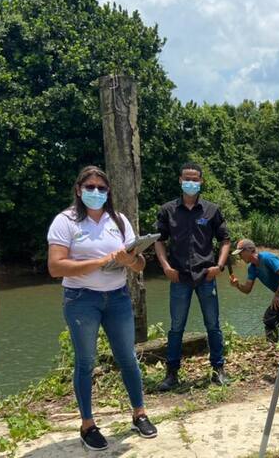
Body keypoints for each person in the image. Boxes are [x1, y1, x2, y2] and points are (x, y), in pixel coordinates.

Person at [47, 166, 156, 451]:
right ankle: (87, 425)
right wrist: (99, 261)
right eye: (90, 187)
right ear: (78, 189)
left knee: (128, 357)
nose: (96, 192)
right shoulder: (65, 221)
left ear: (108, 192)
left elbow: (140, 264)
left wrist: (128, 261)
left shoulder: (118, 221)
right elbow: (55, 266)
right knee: (86, 361)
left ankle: (139, 413)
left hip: (117, 297)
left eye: (101, 188)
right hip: (81, 299)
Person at [153, 162, 231, 391]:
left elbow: (225, 240)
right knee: (176, 327)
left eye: (195, 179)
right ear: (180, 180)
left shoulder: (211, 210)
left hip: (206, 276)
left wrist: (219, 265)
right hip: (179, 277)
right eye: (187, 178)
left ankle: (218, 370)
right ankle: (172, 373)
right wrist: (166, 266)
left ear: (201, 182)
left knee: (213, 325)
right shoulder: (167, 210)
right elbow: (159, 240)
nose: (191, 183)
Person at [228, 238, 279, 342]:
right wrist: (237, 285)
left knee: (269, 317)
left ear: (250, 250)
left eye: (241, 253)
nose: (239, 256)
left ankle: (272, 347)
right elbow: (247, 289)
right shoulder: (252, 268)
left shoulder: (267, 258)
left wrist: (277, 295)